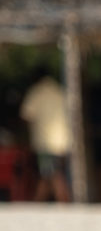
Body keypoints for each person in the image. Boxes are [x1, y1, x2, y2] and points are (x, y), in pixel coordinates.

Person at [20, 70, 71, 202]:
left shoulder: (36, 92)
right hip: (63, 141)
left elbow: (26, 116)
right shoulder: (60, 91)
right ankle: (42, 202)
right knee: (50, 172)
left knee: (51, 173)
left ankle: (63, 202)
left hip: (46, 142)